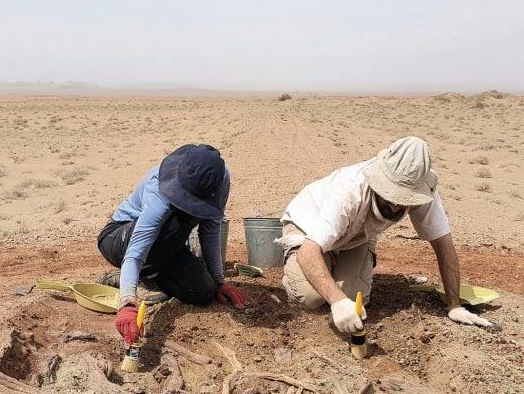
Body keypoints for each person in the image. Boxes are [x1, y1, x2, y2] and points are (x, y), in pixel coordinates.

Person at [278, 136, 494, 333]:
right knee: (312, 298)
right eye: (390, 195)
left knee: (356, 300)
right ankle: (298, 271)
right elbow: (308, 252)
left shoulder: (423, 191)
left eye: (404, 199)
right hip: (307, 226)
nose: (395, 205)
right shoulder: (350, 191)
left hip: (354, 236)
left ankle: (329, 266)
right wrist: (337, 301)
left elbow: (444, 245)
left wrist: (454, 305)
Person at [97, 144, 246, 344]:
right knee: (176, 222)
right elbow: (136, 253)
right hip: (118, 240)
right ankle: (134, 279)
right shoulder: (158, 188)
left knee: (202, 291)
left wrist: (219, 281)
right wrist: (127, 303)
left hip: (166, 247)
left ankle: (148, 275)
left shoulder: (219, 181)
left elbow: (210, 231)